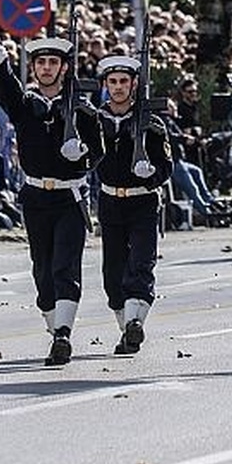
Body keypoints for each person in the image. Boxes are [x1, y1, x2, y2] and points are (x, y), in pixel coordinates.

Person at [0, 38, 95, 366]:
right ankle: (54, 326)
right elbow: (7, 93)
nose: (46, 68)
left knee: (65, 265)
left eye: (53, 62)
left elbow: (99, 148)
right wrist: (1, 68)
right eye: (40, 62)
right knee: (43, 271)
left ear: (64, 67)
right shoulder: (26, 104)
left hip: (70, 196)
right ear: (33, 68)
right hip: (36, 197)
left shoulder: (80, 108)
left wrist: (83, 154)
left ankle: (63, 334)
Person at [79, 55, 173, 355]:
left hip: (142, 200)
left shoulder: (151, 123)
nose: (118, 87)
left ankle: (135, 322)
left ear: (134, 84)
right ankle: (127, 329)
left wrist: (152, 174)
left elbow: (167, 165)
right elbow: (86, 157)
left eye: (124, 81)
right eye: (113, 82)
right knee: (113, 273)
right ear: (105, 85)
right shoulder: (95, 121)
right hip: (110, 202)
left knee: (141, 264)